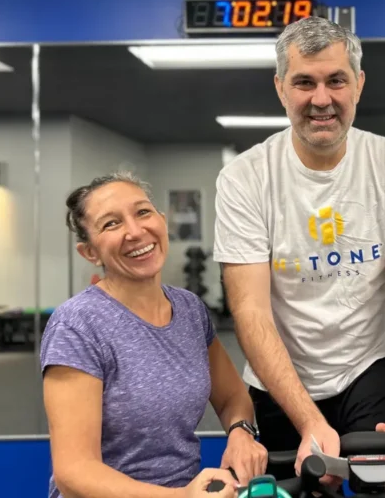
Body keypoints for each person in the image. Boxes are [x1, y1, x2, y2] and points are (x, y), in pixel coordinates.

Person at [213, 15, 385, 487]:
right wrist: (309, 422)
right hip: (281, 374)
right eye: (304, 82)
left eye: (336, 80)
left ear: (358, 84)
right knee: (310, 486)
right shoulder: (244, 177)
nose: (322, 99)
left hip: (369, 362)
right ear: (281, 89)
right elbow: (251, 310)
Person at [41, 171, 267, 498]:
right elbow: (74, 473)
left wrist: (241, 433)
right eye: (111, 224)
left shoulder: (190, 310)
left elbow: (233, 398)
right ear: (90, 252)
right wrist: (181, 497)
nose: (135, 231)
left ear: (161, 220)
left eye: (143, 212)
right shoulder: (77, 324)